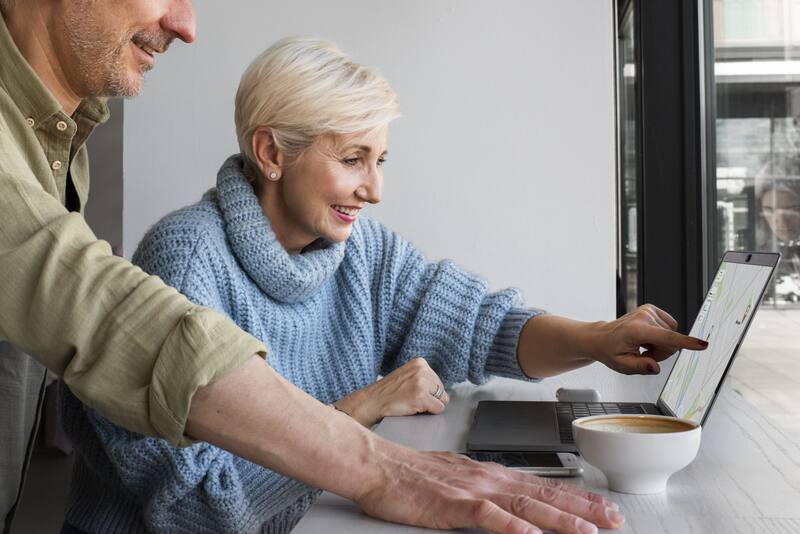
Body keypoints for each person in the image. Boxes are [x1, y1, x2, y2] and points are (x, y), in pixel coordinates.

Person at [59, 37, 710, 534]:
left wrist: (598, 339)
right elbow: (199, 504)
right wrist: (365, 407)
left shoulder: (358, 249)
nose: (374, 189)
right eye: (353, 160)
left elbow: (481, 324)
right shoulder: (184, 260)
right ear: (272, 154)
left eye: (380, 160)